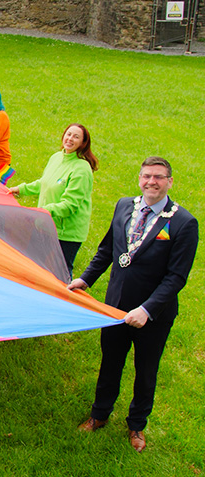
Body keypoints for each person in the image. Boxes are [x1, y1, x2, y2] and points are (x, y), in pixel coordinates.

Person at [69, 157, 198, 453]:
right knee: (110, 363)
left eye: (159, 177)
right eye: (147, 176)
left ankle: (137, 425)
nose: (152, 182)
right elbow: (107, 250)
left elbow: (177, 277)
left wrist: (147, 309)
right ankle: (99, 415)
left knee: (146, 370)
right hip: (115, 308)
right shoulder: (124, 205)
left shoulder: (183, 222)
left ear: (170, 181)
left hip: (153, 315)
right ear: (139, 178)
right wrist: (86, 280)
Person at [9, 123, 97, 273]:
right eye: (68, 134)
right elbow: (44, 183)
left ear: (83, 143)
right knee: (33, 264)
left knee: (59, 272)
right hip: (44, 224)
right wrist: (20, 189)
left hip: (66, 233)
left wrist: (41, 211)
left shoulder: (82, 169)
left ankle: (62, 296)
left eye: (76, 137)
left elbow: (70, 205)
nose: (70, 139)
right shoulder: (56, 157)